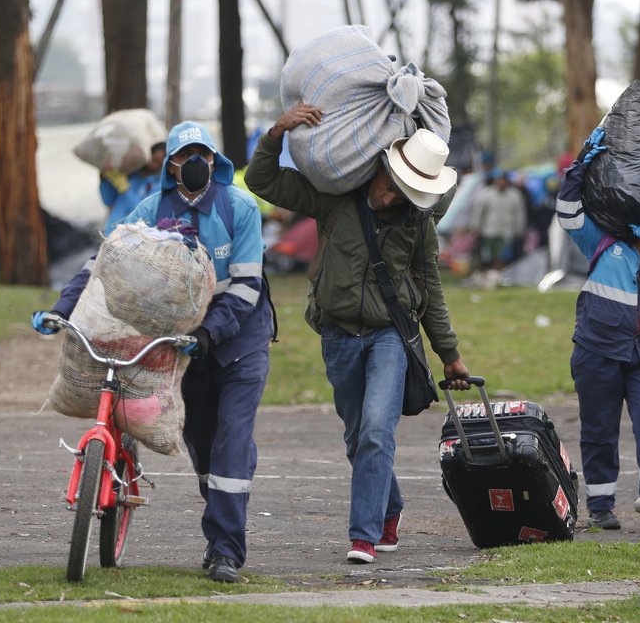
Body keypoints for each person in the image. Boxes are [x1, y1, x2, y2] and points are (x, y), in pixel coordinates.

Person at [34, 121, 274, 583]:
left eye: (203, 155)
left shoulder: (239, 207)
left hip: (240, 343)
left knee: (231, 442)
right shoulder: (149, 208)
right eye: (185, 158)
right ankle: (220, 527)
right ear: (170, 166)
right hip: (180, 348)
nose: (195, 166)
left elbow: (246, 286)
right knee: (201, 445)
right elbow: (102, 261)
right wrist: (61, 308)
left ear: (215, 161)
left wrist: (210, 333)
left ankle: (226, 551)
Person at [244, 103, 471, 564]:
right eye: (391, 185)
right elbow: (262, 182)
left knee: (375, 432)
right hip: (338, 335)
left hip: (390, 335)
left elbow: (430, 286)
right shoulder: (334, 199)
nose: (390, 198)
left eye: (403, 193)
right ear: (382, 168)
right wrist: (277, 133)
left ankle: (363, 536)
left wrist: (449, 354)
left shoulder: (416, 223)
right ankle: (391, 507)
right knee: (356, 437)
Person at [556, 126, 640, 531]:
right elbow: (567, 213)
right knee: (598, 430)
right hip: (597, 351)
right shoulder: (600, 242)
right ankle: (600, 507)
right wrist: (579, 166)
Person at [99, 141, 166, 235]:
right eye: (151, 158)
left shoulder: (159, 186)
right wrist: (104, 180)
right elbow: (108, 200)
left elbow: (143, 212)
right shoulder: (131, 175)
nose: (151, 163)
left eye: (156, 162)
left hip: (131, 239)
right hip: (110, 233)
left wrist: (125, 190)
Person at [468, 169, 527, 272]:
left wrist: (519, 229)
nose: (501, 182)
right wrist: (475, 227)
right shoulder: (486, 194)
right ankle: (489, 274)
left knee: (503, 256)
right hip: (489, 231)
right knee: (488, 256)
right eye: (499, 180)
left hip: (507, 231)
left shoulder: (514, 195)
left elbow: (519, 214)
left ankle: (500, 275)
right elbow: (479, 212)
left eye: (504, 180)